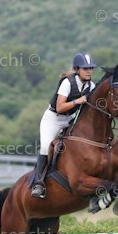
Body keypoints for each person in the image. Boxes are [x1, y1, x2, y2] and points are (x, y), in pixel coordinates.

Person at [30, 52, 97, 198]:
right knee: (46, 146)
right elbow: (60, 107)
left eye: (91, 68)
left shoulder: (91, 86)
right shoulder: (67, 83)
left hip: (70, 119)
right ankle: (38, 183)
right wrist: (77, 101)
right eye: (85, 68)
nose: (89, 71)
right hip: (53, 119)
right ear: (77, 69)